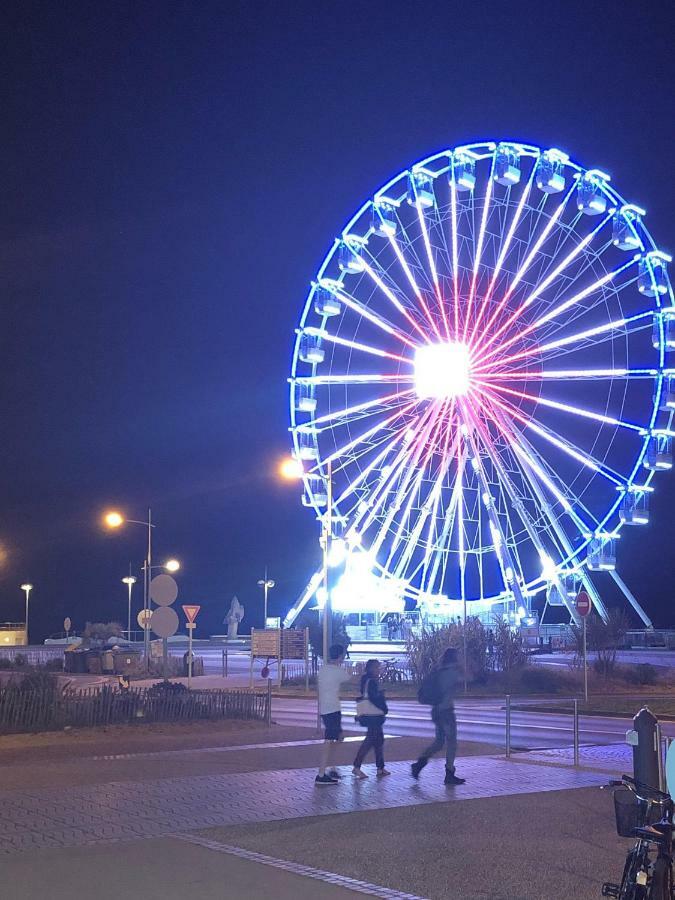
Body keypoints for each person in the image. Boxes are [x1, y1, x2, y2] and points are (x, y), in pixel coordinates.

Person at [411, 647, 465, 785]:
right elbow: (468, 680)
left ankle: (419, 764)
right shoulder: (452, 672)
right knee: (452, 742)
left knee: (439, 742)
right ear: (454, 658)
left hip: (437, 710)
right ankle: (449, 773)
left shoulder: (440, 670)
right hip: (446, 711)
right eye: (458, 656)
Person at [315, 643, 350, 785]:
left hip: (325, 709)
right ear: (340, 656)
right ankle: (321, 774)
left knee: (338, 738)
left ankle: (332, 768)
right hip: (333, 709)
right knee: (329, 741)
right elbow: (352, 679)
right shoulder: (338, 671)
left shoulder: (323, 669)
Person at [352, 659, 390, 779]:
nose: (378, 670)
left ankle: (380, 767)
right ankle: (357, 767)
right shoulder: (371, 682)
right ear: (370, 669)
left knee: (378, 740)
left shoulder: (366, 680)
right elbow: (374, 698)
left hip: (370, 715)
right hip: (373, 716)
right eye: (376, 668)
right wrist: (384, 706)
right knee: (370, 741)